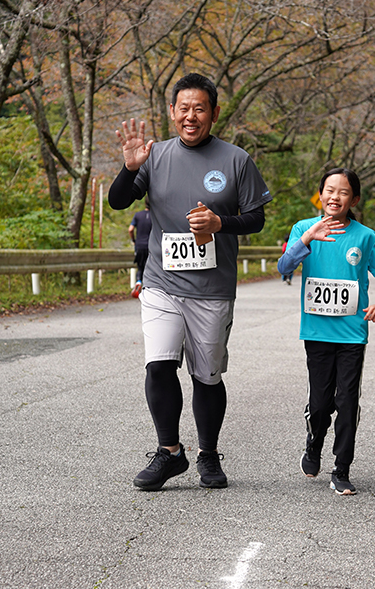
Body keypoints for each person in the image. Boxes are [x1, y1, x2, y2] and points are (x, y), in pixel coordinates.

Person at [109, 73, 272, 491]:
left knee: (207, 376)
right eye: (184, 108)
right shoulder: (155, 155)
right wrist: (129, 170)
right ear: (172, 112)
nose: (191, 116)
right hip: (162, 282)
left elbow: (256, 218)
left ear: (214, 113)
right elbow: (118, 200)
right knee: (159, 363)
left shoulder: (236, 160)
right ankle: (168, 452)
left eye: (200, 108)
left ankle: (208, 453)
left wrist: (221, 222)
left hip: (212, 290)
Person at [277, 168, 375, 496]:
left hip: (352, 335)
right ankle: (313, 446)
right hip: (316, 331)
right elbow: (284, 267)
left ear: (354, 199)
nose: (335, 196)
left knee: (346, 401)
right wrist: (306, 239)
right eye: (329, 190)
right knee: (319, 404)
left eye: (343, 192)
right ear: (320, 195)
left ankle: (342, 468)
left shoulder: (367, 237)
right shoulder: (304, 228)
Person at [128, 203, 152, 297]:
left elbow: (130, 229)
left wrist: (134, 240)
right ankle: (148, 289)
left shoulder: (138, 215)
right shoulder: (155, 216)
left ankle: (138, 282)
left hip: (139, 245)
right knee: (150, 267)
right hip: (151, 246)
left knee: (140, 266)